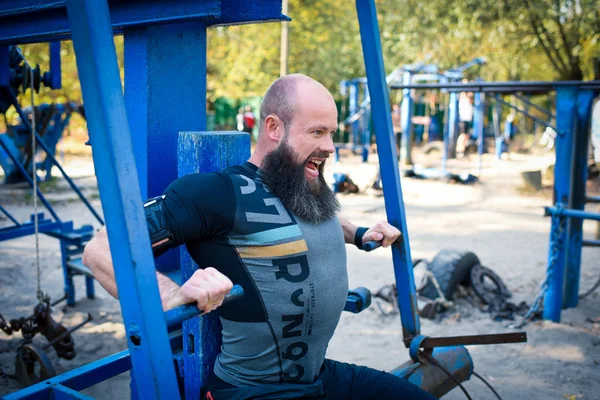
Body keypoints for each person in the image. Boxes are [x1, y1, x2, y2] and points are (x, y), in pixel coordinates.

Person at [82, 74, 437, 400]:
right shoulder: (218, 193)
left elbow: (311, 222)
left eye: (331, 134)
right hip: (253, 392)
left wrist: (359, 233)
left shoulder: (298, 182)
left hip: (319, 379)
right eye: (317, 133)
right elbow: (101, 249)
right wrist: (171, 295)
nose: (330, 147)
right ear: (274, 128)